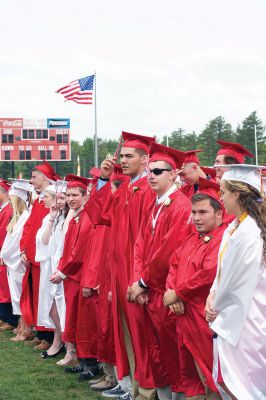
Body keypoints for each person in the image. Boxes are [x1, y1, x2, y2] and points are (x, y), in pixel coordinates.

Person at [85, 132, 160, 400]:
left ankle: (146, 391)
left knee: (142, 334)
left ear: (145, 159)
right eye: (122, 156)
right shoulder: (127, 189)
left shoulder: (150, 191)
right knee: (126, 332)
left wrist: (141, 278)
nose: (123, 160)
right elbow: (101, 216)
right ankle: (132, 386)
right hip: (119, 272)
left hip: (136, 273)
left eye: (129, 156)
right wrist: (103, 180)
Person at [128, 143, 192, 399]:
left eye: (158, 171)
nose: (151, 176)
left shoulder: (180, 206)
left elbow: (168, 251)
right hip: (149, 291)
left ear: (173, 174)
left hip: (167, 292)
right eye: (150, 171)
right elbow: (140, 245)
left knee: (171, 353)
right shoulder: (155, 205)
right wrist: (138, 282)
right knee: (155, 351)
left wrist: (142, 282)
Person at [205, 165, 266, 400]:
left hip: (246, 317)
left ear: (237, 194)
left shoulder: (250, 230)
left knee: (247, 383)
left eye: (223, 192)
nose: (220, 197)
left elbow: (237, 278)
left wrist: (215, 305)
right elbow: (222, 271)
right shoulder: (236, 225)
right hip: (233, 309)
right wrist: (213, 294)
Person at [164, 178, 225, 400]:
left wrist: (177, 293)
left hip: (203, 318)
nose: (196, 218)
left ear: (218, 214)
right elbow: (173, 264)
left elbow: (208, 273)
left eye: (202, 212)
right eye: (194, 212)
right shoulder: (192, 239)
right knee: (191, 378)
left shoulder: (222, 239)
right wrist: (173, 295)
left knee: (210, 377)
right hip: (183, 317)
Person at [50, 175, 91, 367]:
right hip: (69, 274)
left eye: (75, 195)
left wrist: (63, 271)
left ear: (85, 196)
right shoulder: (74, 217)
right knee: (71, 316)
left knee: (79, 318)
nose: (71, 199)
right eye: (68, 195)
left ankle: (83, 359)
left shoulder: (85, 218)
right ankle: (78, 357)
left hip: (79, 275)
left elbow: (79, 250)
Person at [20, 161, 59, 350]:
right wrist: (24, 250)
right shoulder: (40, 199)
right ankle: (41, 331)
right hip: (34, 255)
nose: (31, 180)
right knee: (39, 296)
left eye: (34, 176)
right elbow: (29, 228)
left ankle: (48, 335)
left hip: (44, 256)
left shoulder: (50, 198)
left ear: (44, 177)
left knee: (46, 296)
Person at [35, 184, 67, 359]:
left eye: (62, 198)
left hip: (59, 267)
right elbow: (45, 241)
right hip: (49, 267)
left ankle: (62, 343)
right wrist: (52, 218)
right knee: (51, 308)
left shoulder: (68, 219)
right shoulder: (52, 218)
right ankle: (59, 340)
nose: (43, 200)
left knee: (58, 308)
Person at [1, 179, 33, 341]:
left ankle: (26, 328)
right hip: (12, 262)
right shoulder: (17, 217)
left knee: (21, 295)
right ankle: (21, 325)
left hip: (18, 262)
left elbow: (17, 242)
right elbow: (9, 240)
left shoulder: (25, 216)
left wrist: (4, 255)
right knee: (16, 295)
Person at [0, 180, 19, 331]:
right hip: (3, 252)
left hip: (6, 254)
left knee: (6, 288)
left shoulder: (8, 211)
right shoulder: (4, 210)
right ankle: (4, 317)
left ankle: (9, 319)